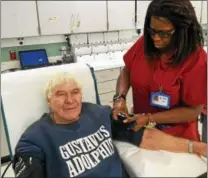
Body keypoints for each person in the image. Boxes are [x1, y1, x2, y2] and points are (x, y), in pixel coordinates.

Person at [12, 72, 207, 178]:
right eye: (60, 94)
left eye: (75, 92)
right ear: (49, 100)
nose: (70, 100)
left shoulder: (99, 113)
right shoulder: (34, 139)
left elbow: (144, 136)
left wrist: (197, 147)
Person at [112, 0, 207, 142]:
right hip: (141, 129)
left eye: (164, 34)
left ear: (182, 31)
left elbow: (193, 111)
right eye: (152, 30)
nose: (155, 38)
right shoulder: (145, 43)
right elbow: (127, 70)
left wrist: (150, 118)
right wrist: (120, 98)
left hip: (176, 137)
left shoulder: (196, 59)